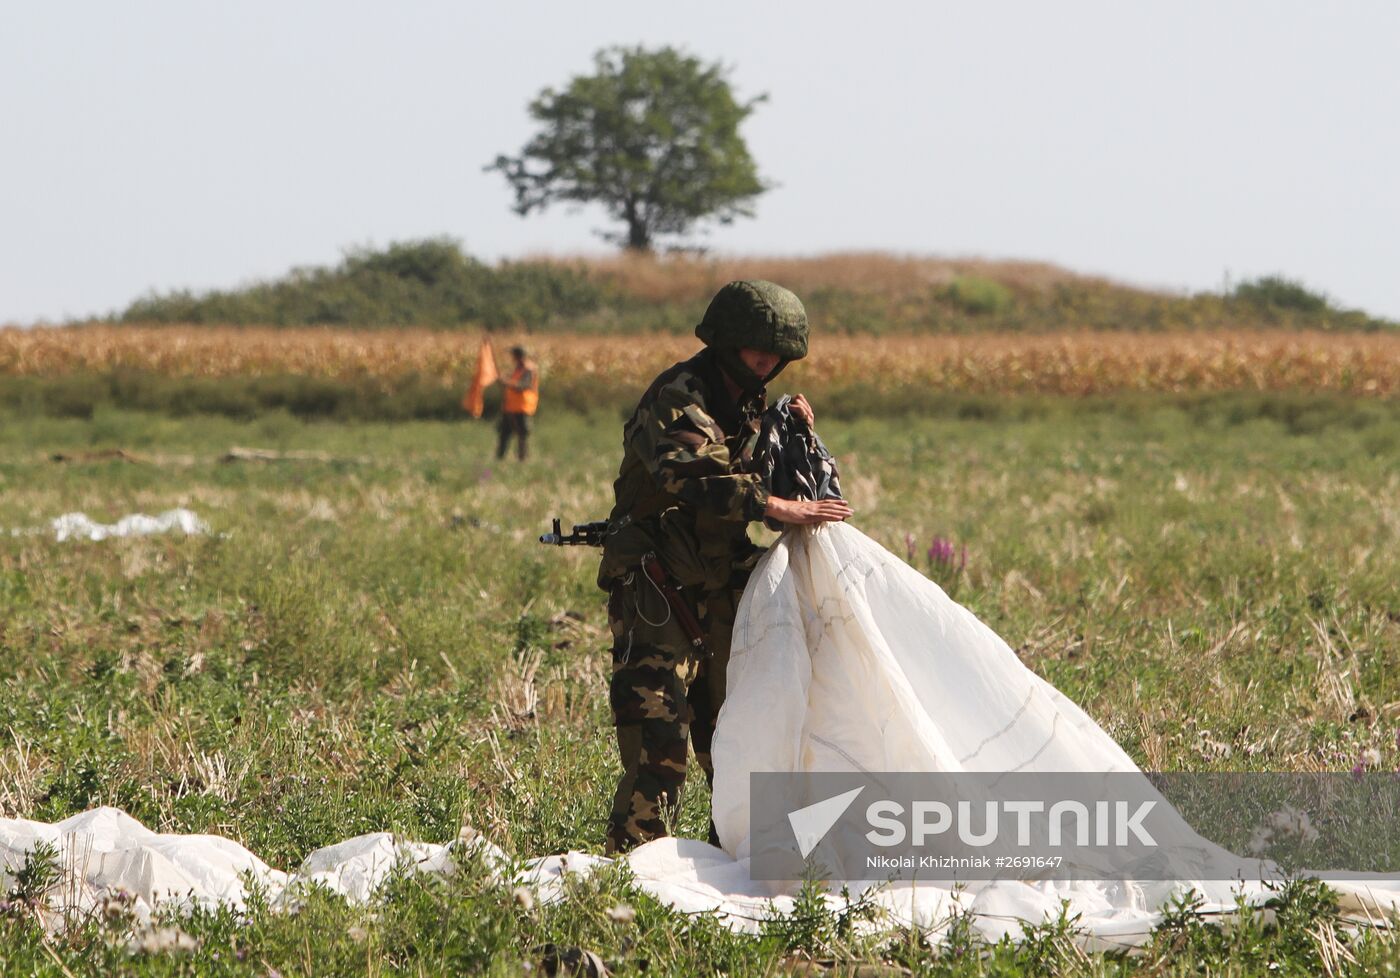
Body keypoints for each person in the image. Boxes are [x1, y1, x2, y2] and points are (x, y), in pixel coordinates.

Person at [598, 280, 853, 854]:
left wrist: (797, 431)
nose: (765, 360)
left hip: (721, 582)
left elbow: (778, 474)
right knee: (659, 735)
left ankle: (735, 858)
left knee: (734, 729)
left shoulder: (753, 403)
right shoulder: (679, 394)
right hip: (657, 582)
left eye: (775, 352)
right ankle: (631, 868)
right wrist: (778, 506)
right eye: (752, 347)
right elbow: (693, 476)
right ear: (724, 342)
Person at [497, 346, 538, 461]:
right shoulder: (518, 369)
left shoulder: (528, 369)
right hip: (510, 407)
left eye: (513, 355)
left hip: (522, 407)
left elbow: (523, 385)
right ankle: (500, 458)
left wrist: (507, 382)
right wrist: (503, 380)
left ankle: (522, 459)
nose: (511, 358)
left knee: (522, 435)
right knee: (504, 433)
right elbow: (512, 382)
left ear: (518, 356)